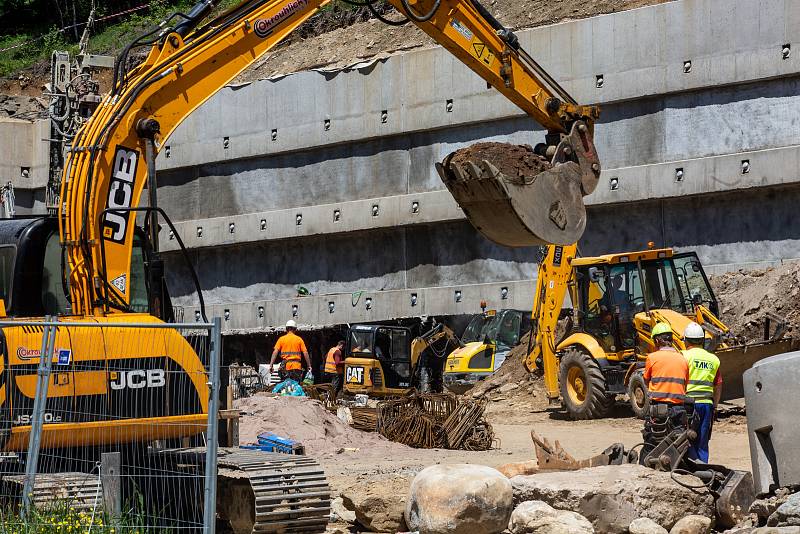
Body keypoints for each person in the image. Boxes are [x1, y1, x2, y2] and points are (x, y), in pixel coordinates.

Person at [640, 322, 690, 463]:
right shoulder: (683, 359)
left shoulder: (652, 358)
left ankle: (644, 470)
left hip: (658, 409)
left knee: (650, 443)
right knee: (679, 444)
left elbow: (646, 380)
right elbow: (685, 383)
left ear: (657, 340)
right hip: (679, 409)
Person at [682, 322, 722, 462]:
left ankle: (690, 469)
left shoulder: (683, 356)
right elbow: (718, 385)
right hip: (707, 404)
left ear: (686, 340)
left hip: (688, 405)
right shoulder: (713, 359)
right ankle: (703, 467)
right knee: (703, 440)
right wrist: (715, 406)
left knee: (686, 438)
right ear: (702, 340)